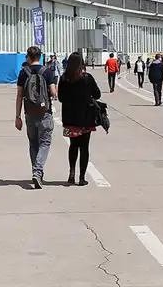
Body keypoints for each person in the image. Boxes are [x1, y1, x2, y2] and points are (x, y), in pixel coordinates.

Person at [15, 46, 58, 189]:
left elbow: (20, 96)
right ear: (40, 57)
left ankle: (36, 170)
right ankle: (38, 171)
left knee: (33, 143)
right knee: (45, 142)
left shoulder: (23, 73)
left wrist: (17, 116)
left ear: (28, 57)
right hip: (45, 112)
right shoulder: (47, 71)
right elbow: (53, 92)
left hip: (29, 113)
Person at [57, 52, 101, 186]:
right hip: (85, 118)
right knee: (84, 147)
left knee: (73, 146)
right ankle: (82, 177)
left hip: (70, 118)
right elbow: (97, 94)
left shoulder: (64, 78)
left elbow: (60, 98)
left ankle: (71, 174)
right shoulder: (87, 77)